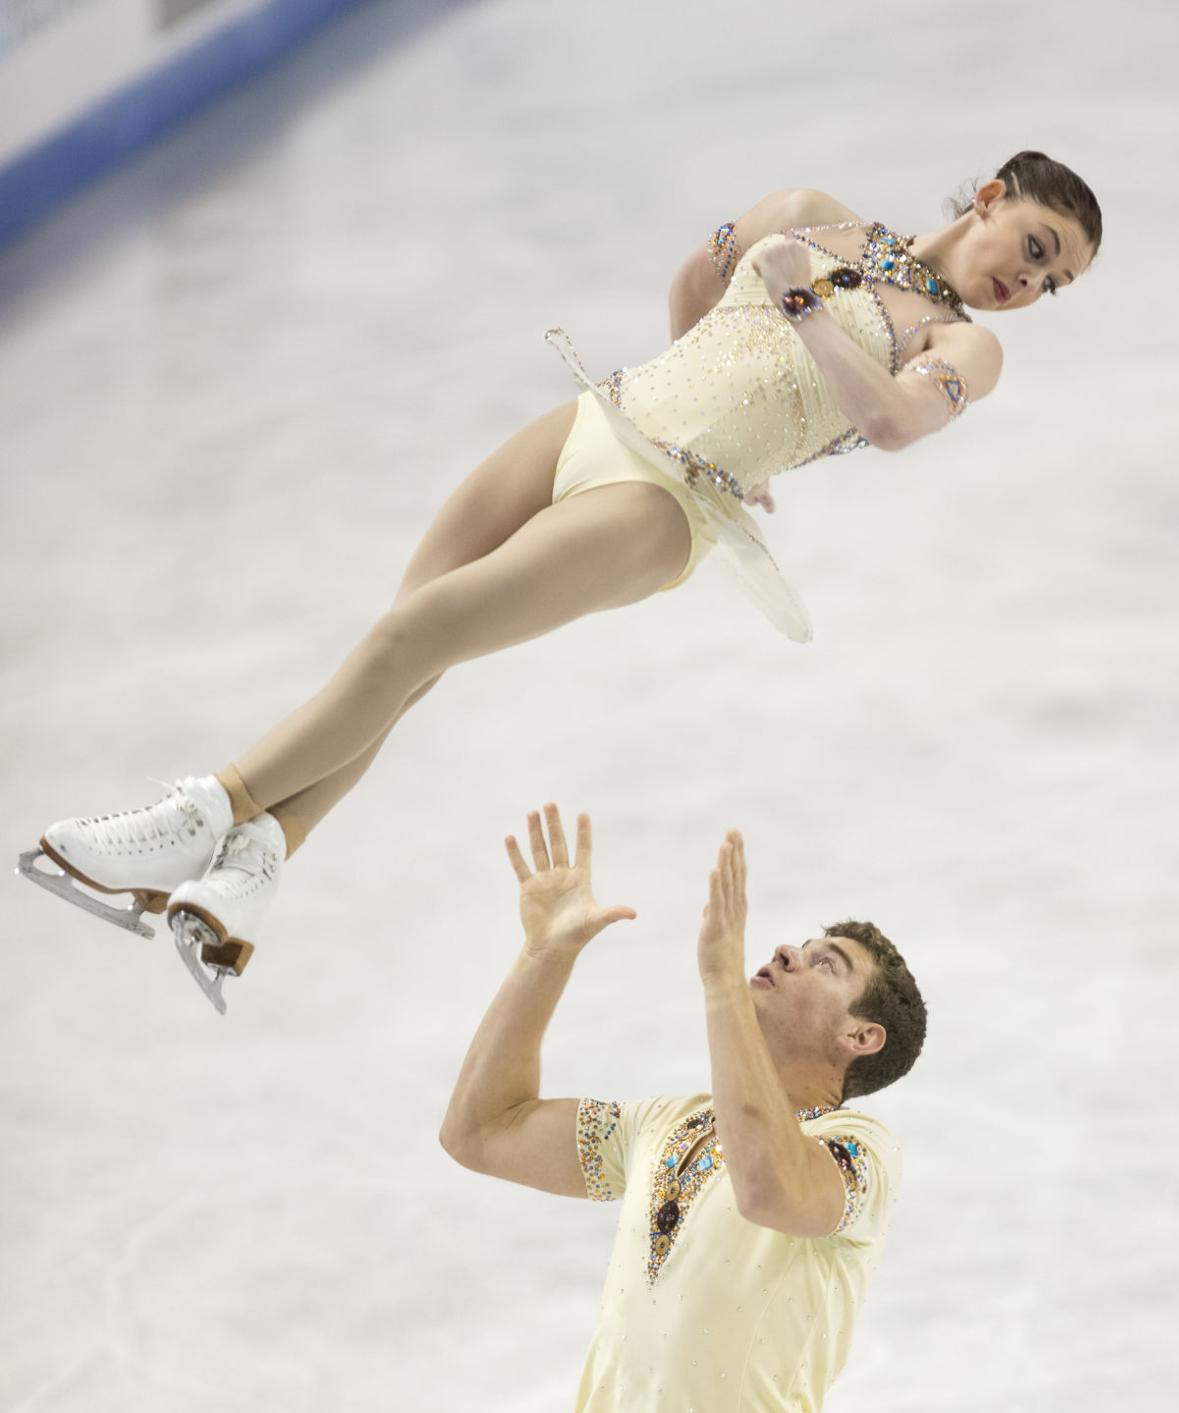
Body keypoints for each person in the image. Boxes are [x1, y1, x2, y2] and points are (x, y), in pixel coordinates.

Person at [17, 152, 1100, 1011]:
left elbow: (893, 421)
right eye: (1039, 247)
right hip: (603, 413)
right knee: (408, 641)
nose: (1030, 284)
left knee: (420, 636)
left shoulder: (963, 346)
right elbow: (697, 276)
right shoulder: (813, 212)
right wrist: (728, 389)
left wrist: (786, 359)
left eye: (1052, 283)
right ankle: (249, 872)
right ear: (993, 196)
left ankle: (195, 817)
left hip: (663, 506)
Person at [439, 804, 926, 1413]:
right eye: (797, 944)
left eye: (824, 963)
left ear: (861, 1036)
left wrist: (717, 993)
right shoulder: (664, 1127)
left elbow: (769, 1184)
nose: (783, 952)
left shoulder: (856, 1154)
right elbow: (481, 1130)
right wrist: (545, 953)